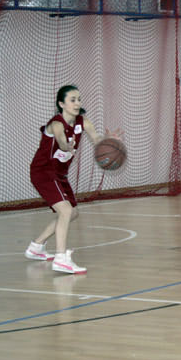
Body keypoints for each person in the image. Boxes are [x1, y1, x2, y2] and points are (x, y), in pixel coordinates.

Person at [26, 85, 120, 274]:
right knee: (66, 211)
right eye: (72, 100)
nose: (77, 103)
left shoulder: (83, 121)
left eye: (79, 99)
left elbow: (96, 139)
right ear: (61, 104)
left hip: (60, 174)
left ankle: (36, 247)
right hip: (43, 172)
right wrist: (66, 145)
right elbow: (61, 140)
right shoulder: (56, 124)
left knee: (72, 213)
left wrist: (108, 141)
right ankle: (61, 258)